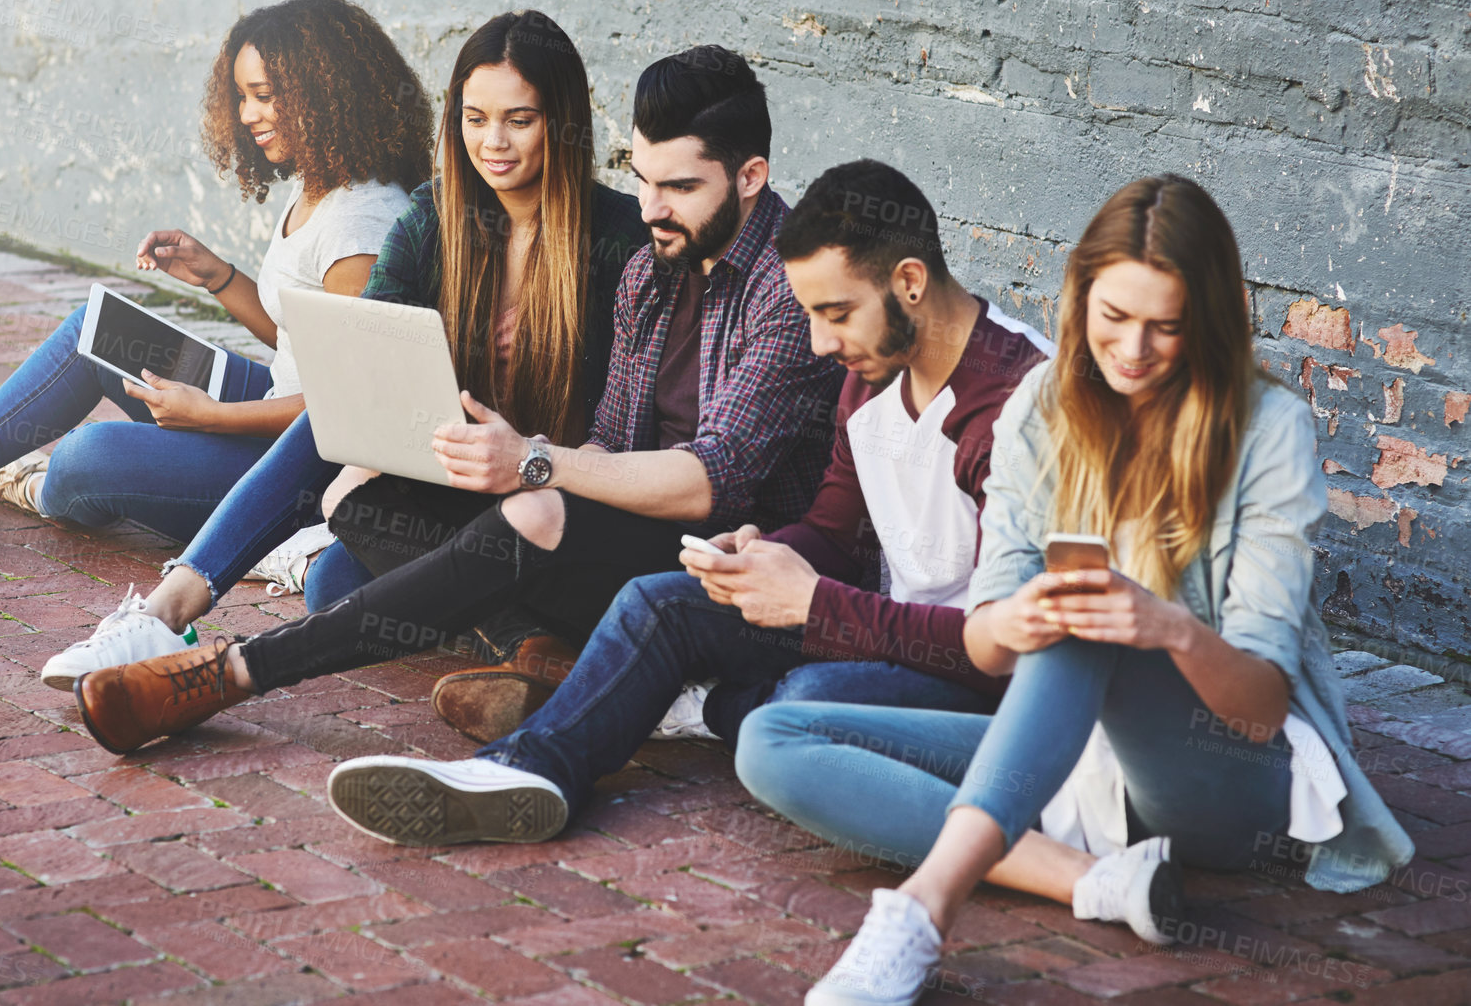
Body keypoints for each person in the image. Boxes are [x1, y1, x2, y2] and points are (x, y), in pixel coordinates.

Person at [728, 176, 1413, 1006]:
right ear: (1081, 297)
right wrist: (1017, 618)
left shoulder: (1267, 429)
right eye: (1114, 318)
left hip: (1228, 776)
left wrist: (1165, 626)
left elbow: (1261, 710)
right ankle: (1095, 883)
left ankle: (919, 911)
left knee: (1094, 620)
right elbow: (983, 643)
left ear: (1209, 322)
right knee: (774, 736)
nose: (1133, 349)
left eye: (1166, 326)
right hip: (1079, 769)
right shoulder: (1040, 410)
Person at [67, 44, 842, 755]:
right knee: (362, 503)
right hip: (624, 542)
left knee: (522, 515)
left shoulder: (790, 286)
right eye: (641, 179)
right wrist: (505, 463)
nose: (650, 208)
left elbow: (716, 477)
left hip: (744, 569)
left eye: (679, 187)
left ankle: (228, 673)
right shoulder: (652, 269)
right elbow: (609, 438)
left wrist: (535, 466)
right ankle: (551, 656)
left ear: (750, 176)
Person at [322, 159, 1053, 844]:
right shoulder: (874, 370)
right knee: (658, 602)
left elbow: (1006, 657)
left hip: (984, 691)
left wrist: (815, 603)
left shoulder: (1012, 408)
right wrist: (770, 554)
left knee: (801, 698)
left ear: (912, 281)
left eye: (835, 313)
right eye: (808, 314)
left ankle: (673, 705)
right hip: (878, 627)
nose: (820, 343)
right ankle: (525, 771)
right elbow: (836, 528)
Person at [34, 9, 651, 690]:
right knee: (332, 570)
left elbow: (625, 435)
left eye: (520, 119)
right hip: (448, 488)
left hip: (553, 494)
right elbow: (363, 360)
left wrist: (529, 460)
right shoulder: (434, 217)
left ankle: (526, 641)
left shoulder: (620, 240)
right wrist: (373, 429)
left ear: (561, 122)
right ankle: (168, 609)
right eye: (475, 119)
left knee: (346, 568)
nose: (493, 142)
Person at [0, 0, 430, 553]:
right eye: (241, 96)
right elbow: (301, 336)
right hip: (274, 409)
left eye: (264, 96)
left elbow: (351, 410)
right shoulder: (318, 185)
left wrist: (214, 417)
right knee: (98, 325)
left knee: (87, 460)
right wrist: (218, 276)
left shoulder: (362, 228)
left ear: (325, 94)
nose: (249, 114)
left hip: (302, 466)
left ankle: (42, 483)